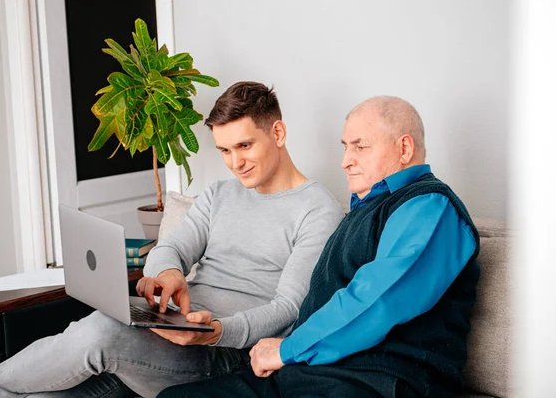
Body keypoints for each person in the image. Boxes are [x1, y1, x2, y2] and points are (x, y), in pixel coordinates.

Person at [0, 81, 344, 398]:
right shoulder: (219, 194)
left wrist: (216, 333)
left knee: (100, 330)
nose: (235, 162)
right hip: (169, 329)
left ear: (277, 133)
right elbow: (171, 248)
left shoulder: (316, 209)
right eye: (225, 151)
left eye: (245, 146)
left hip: (223, 351)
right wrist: (168, 273)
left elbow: (290, 308)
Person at [160, 96, 481, 398]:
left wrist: (286, 349)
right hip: (312, 371)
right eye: (345, 147)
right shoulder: (364, 210)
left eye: (360, 147)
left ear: (405, 148)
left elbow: (378, 300)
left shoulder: (430, 206)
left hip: (382, 378)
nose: (345, 161)